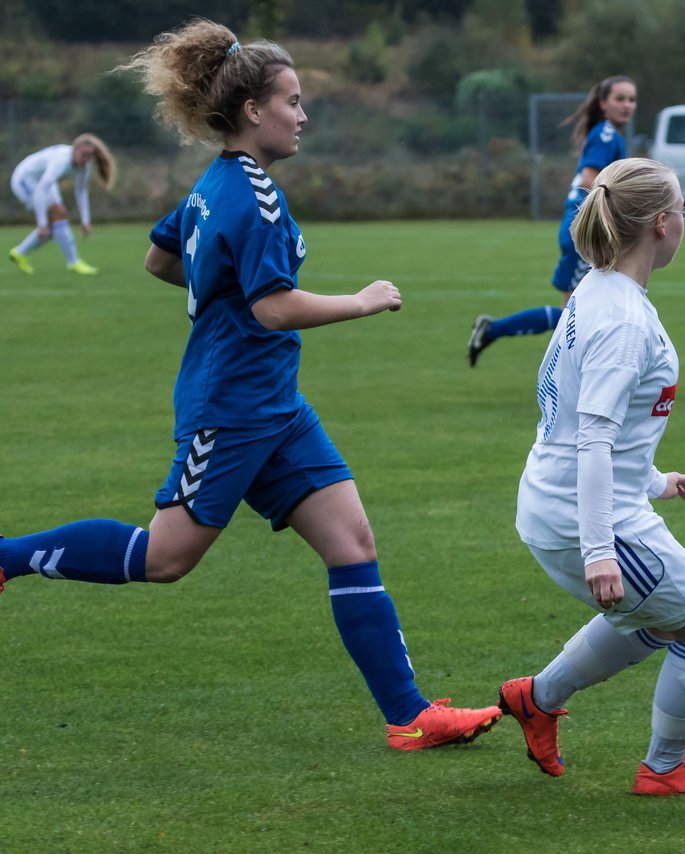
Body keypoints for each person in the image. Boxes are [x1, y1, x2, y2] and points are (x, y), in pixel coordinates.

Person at [0, 20, 502, 751]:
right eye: (293, 101)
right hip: (230, 409)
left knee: (353, 541)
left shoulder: (213, 186)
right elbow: (272, 307)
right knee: (165, 558)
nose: (302, 116)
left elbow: (158, 258)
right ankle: (7, 557)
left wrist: (214, 288)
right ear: (253, 112)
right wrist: (361, 300)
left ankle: (409, 715)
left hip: (276, 407)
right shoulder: (255, 196)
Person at [496, 157, 685, 797]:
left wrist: (656, 481)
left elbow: (602, 427)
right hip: (584, 516)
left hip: (561, 501)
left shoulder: (599, 287)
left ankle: (538, 700)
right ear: (662, 225)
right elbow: (593, 437)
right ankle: (665, 769)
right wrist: (599, 549)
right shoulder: (624, 322)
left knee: (663, 620)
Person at [468, 76, 636, 366]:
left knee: (578, 312)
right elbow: (589, 180)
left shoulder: (606, 134)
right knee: (575, 313)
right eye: (619, 98)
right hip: (584, 231)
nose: (627, 105)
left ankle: (566, 372)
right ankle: (495, 331)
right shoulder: (607, 136)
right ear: (603, 103)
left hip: (584, 228)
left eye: (631, 99)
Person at [8, 134, 115, 275]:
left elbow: (81, 191)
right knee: (57, 215)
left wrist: (85, 221)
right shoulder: (61, 161)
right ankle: (73, 262)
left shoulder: (85, 165)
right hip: (24, 179)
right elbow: (41, 189)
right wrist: (41, 223)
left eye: (90, 156)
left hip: (44, 182)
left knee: (57, 221)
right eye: (84, 155)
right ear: (74, 150)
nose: (87, 159)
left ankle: (19, 253)